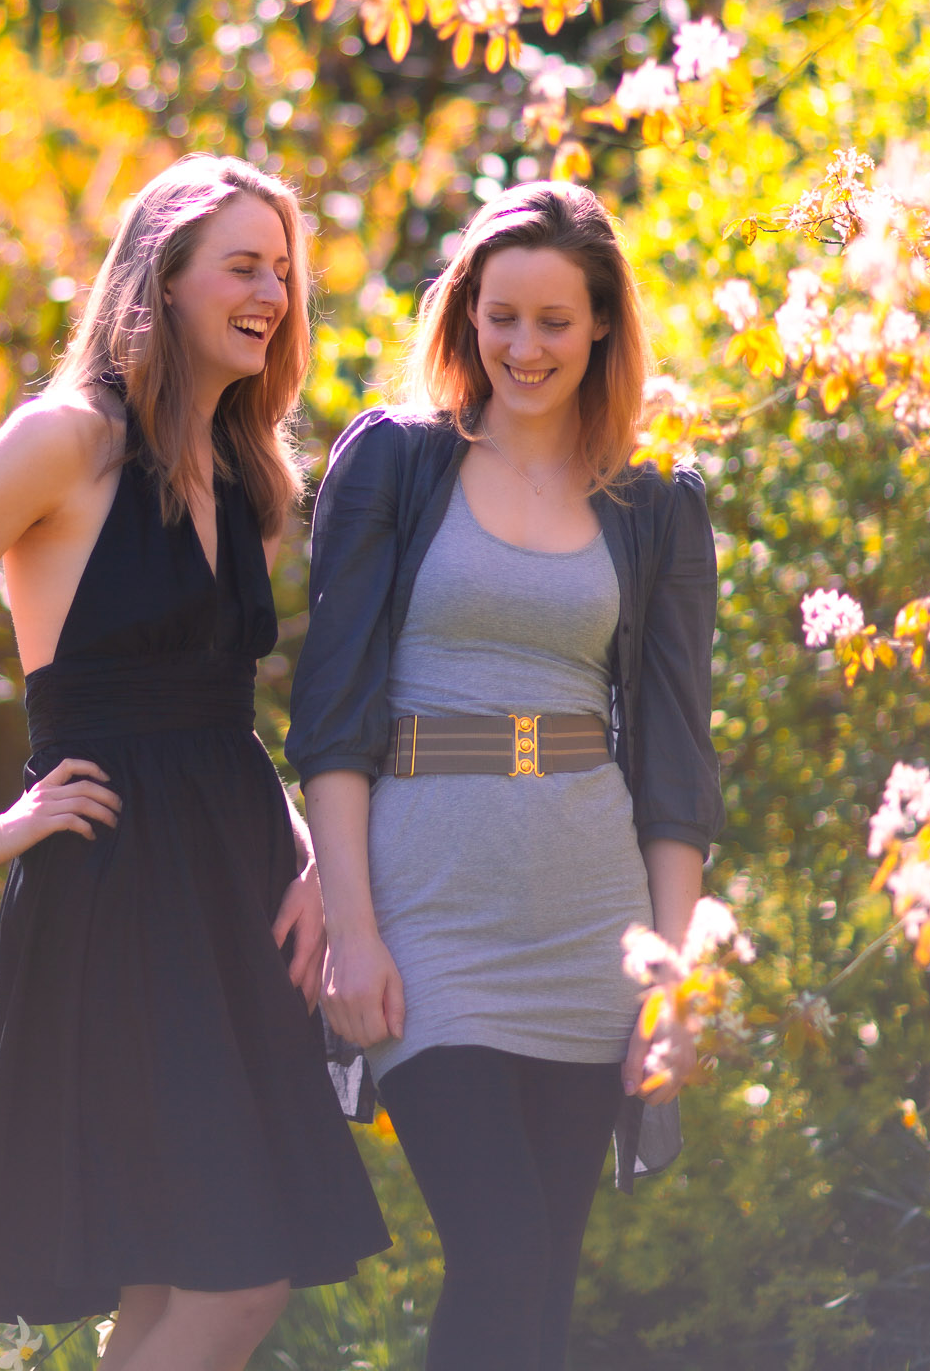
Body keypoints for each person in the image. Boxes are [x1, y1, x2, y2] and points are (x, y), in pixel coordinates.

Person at [0, 155, 389, 1371]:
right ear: (163, 275)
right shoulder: (65, 439)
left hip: (238, 892)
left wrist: (307, 859)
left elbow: (217, 716)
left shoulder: (242, 467)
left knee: (182, 1275)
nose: (273, 294)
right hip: (122, 898)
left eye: (284, 273)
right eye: (244, 265)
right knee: (238, 1276)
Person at [286, 180, 723, 1371]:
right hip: (429, 910)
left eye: (554, 321)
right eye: (501, 315)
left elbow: (678, 757)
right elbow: (330, 718)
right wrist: (353, 931)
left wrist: (670, 984)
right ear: (465, 314)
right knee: (500, 1253)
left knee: (540, 1292)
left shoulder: (657, 504)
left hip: (589, 920)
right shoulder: (396, 463)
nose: (524, 346)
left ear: (599, 330)